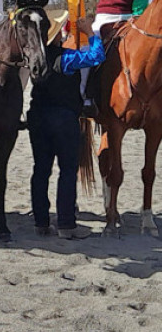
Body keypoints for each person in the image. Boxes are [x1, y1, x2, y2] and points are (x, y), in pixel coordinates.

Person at [28, 13, 105, 239]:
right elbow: (96, 56)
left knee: (40, 170)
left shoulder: (33, 58)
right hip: (63, 117)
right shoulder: (67, 59)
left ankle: (41, 222)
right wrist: (90, 33)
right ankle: (66, 224)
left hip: (37, 116)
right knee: (67, 170)